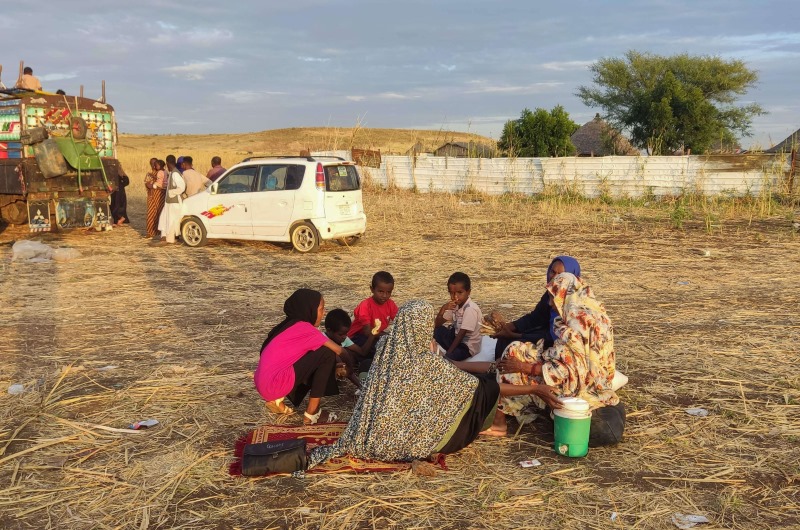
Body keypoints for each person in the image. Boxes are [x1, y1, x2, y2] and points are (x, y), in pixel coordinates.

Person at [308, 300, 502, 468]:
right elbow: (466, 384)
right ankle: (497, 424)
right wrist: (528, 387)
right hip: (408, 440)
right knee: (483, 388)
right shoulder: (425, 359)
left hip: (376, 432)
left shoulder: (385, 347)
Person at [479, 273, 622, 442]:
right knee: (520, 352)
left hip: (578, 389)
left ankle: (499, 423)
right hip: (597, 383)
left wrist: (523, 367)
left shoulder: (575, 326)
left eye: (552, 297)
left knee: (514, 352)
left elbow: (565, 371)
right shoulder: (598, 315)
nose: (550, 303)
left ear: (563, 294)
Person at [254, 289, 346, 424]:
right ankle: (312, 414)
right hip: (274, 384)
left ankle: (277, 398)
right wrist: (348, 366)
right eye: (321, 309)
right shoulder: (306, 329)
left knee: (318, 353)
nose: (324, 313)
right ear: (309, 310)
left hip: (263, 382)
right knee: (327, 354)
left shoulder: (288, 325)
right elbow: (340, 351)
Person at [492, 256, 581, 359]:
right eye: (553, 272)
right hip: (544, 334)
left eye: (560, 274)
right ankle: (497, 369)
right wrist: (508, 327)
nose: (554, 277)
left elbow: (553, 338)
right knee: (504, 341)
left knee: (513, 346)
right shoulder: (549, 295)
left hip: (558, 345)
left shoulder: (574, 305)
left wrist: (514, 336)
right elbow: (535, 317)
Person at [347, 271, 399, 363]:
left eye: (388, 292)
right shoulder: (365, 305)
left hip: (377, 334)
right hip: (359, 335)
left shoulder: (390, 304)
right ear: (372, 289)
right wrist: (388, 336)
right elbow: (367, 332)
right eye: (380, 291)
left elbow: (400, 322)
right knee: (378, 349)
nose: (384, 295)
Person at [433, 272, 483, 361]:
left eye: (460, 292)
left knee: (449, 359)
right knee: (433, 329)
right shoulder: (455, 305)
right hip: (455, 338)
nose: (455, 297)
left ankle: (447, 356)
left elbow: (461, 334)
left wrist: (449, 353)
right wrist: (443, 308)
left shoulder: (470, 309)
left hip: (466, 346)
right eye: (452, 293)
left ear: (468, 292)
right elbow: (437, 324)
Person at [324, 308, 363, 388]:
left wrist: (361, 387)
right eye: (341, 334)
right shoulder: (322, 340)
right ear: (329, 331)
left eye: (346, 334)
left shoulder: (342, 338)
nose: (344, 337)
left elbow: (349, 371)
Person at [156, 155, 185, 244]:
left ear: (168, 163)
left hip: (174, 202)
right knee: (165, 219)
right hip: (169, 202)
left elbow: (182, 187)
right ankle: (166, 237)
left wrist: (171, 193)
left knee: (172, 221)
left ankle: (170, 239)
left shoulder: (175, 174)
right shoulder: (173, 173)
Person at [145, 159, 166, 238]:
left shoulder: (163, 172)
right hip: (151, 196)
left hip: (161, 197)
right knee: (151, 214)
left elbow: (164, 185)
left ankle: (160, 232)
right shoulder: (150, 174)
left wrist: (155, 186)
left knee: (160, 213)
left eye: (154, 164)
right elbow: (147, 184)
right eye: (151, 164)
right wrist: (154, 186)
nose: (153, 165)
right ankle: (150, 232)